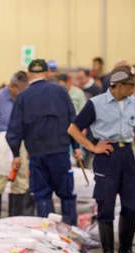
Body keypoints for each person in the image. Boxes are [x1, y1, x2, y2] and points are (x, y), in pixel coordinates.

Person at [67, 65, 135, 253]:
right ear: (119, 85)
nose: (134, 89)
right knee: (105, 205)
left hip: (127, 156)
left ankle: (126, 249)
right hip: (107, 155)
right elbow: (73, 129)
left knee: (133, 203)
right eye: (131, 85)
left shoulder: (133, 103)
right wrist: (92, 147)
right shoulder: (96, 104)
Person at [6, 59, 81, 225]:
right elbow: (73, 121)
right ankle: (71, 232)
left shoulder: (23, 96)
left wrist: (15, 153)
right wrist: (76, 147)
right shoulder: (61, 92)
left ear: (28, 75)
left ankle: (47, 234)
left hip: (37, 155)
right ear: (48, 73)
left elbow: (14, 129)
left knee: (41, 195)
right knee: (66, 194)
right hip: (60, 153)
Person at [0, 71, 33, 220]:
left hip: (20, 141)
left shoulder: (24, 99)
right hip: (2, 141)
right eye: (22, 89)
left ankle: (15, 219)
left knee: (21, 180)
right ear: (13, 86)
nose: (24, 92)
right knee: (0, 179)